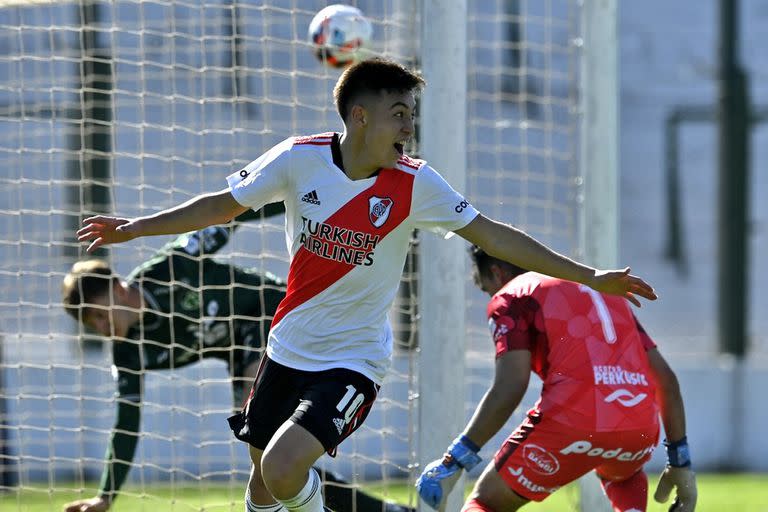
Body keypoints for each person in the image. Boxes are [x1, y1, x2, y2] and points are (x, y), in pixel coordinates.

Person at [76, 57, 657, 512]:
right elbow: (219, 208)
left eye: (411, 113)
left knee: (282, 470)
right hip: (286, 349)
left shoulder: (416, 183)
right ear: (361, 117)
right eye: (400, 113)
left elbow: (495, 234)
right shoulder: (297, 160)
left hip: (353, 360)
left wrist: (589, 275)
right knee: (260, 488)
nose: (410, 125)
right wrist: (135, 229)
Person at [61, 209, 413, 512]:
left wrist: (307, 204)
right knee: (270, 457)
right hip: (244, 352)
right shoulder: (128, 351)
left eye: (98, 315)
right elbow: (127, 419)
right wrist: (106, 495)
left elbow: (232, 215)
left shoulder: (172, 267)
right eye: (91, 324)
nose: (102, 328)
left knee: (268, 443)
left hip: (274, 315)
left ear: (116, 288)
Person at [416, 246, 696, 512]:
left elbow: (511, 386)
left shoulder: (512, 295)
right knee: (623, 474)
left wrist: (457, 458)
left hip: (571, 422)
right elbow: (666, 380)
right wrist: (680, 461)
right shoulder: (607, 291)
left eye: (485, 286)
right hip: (638, 429)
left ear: (498, 273)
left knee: (487, 503)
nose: (489, 294)